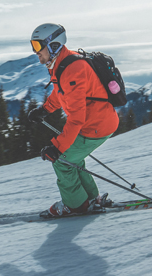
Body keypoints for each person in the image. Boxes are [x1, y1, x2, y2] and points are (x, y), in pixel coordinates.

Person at [27, 23, 120, 216]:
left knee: (62, 161)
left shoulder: (72, 70)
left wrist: (57, 148)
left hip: (96, 126)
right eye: (33, 46)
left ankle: (76, 205)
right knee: (73, 160)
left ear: (52, 45)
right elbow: (60, 94)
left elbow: (76, 119)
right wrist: (44, 110)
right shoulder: (62, 64)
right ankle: (91, 198)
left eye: (38, 46)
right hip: (97, 123)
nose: (35, 52)